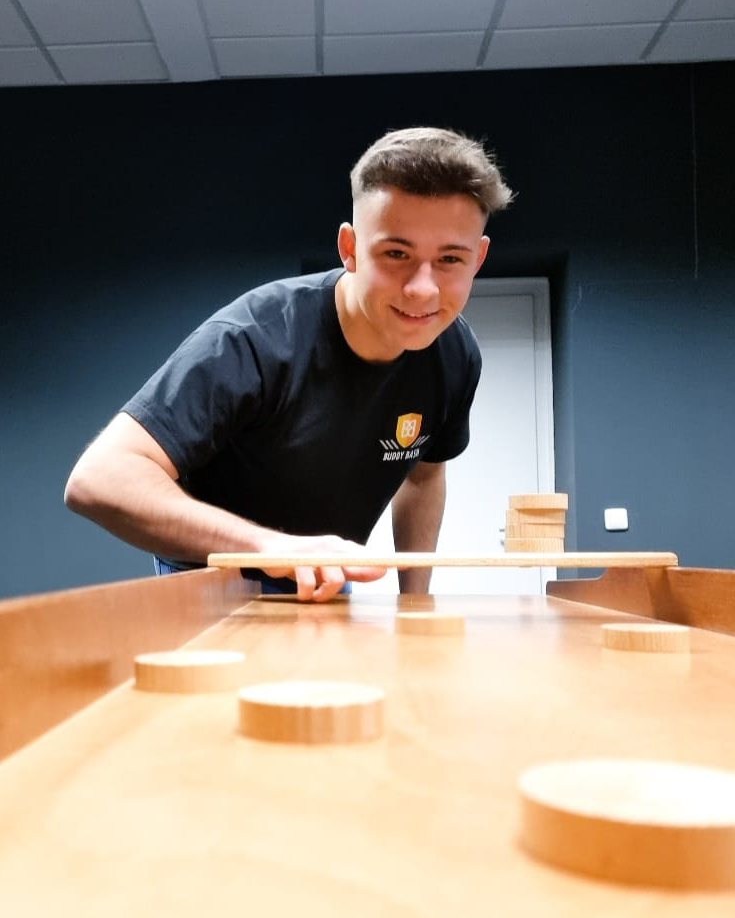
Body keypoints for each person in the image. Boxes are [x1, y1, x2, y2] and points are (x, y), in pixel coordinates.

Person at [64, 127, 512, 601]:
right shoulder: (252, 338)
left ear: (478, 259)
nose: (422, 289)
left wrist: (414, 602)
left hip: (324, 577)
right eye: (396, 253)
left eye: (449, 259)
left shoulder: (454, 354)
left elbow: (424, 475)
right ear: (349, 248)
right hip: (210, 582)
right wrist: (269, 547)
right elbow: (99, 477)